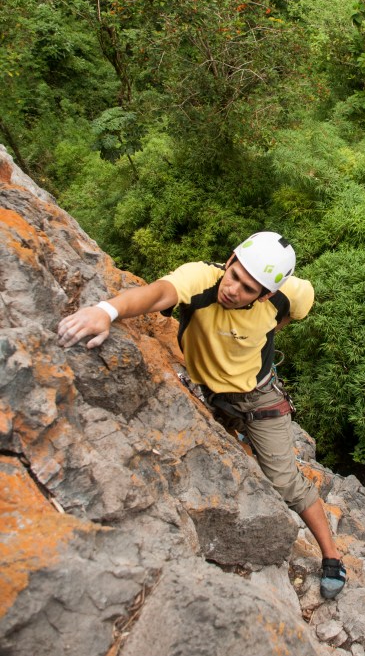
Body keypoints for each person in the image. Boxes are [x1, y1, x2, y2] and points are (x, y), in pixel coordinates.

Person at [57, 231, 347, 600]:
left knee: (285, 481)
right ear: (228, 261)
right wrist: (105, 310)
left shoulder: (288, 295)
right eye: (234, 274)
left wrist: (274, 328)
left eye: (248, 288)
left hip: (257, 397)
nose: (233, 289)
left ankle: (332, 557)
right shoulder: (201, 279)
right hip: (209, 394)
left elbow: (301, 304)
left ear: (266, 295)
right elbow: (158, 294)